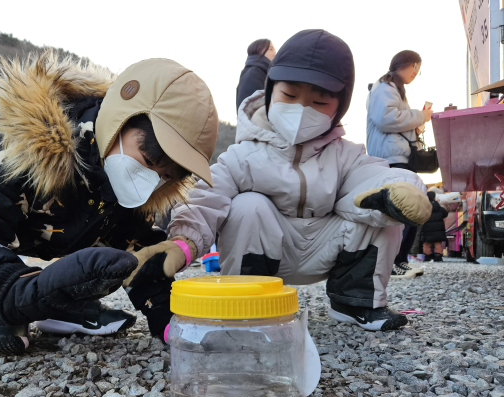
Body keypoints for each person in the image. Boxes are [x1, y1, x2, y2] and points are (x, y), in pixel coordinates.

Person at [0, 51, 218, 354]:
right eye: (147, 159)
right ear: (121, 116)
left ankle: (67, 306)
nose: (151, 179)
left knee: (117, 256)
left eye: (165, 176)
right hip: (7, 228)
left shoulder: (131, 192)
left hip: (73, 233)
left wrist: (171, 322)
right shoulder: (24, 148)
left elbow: (141, 255)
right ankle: (4, 311)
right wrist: (7, 292)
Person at [133, 30, 433, 336]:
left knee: (381, 207)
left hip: (324, 248)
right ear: (270, 92)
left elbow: (377, 175)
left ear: (338, 108)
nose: (302, 110)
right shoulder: (244, 155)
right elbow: (207, 195)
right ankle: (244, 301)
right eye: (289, 96)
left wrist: (405, 189)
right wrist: (183, 242)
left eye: (319, 101)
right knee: (247, 205)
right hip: (267, 252)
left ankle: (355, 301)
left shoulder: (346, 155)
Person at [366, 50, 432, 279]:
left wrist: (416, 125)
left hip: (395, 157)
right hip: (391, 159)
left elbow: (392, 120)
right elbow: (386, 118)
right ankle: (394, 261)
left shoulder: (390, 88)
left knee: (406, 210)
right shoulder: (384, 88)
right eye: (415, 67)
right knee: (406, 209)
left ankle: (398, 260)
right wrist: (420, 116)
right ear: (403, 64)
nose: (416, 72)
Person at [236, 38, 276, 111]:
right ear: (259, 50)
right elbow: (253, 108)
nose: (275, 54)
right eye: (271, 49)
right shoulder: (254, 72)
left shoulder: (260, 72)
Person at [420, 191, 448, 262]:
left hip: (427, 228)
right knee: (437, 242)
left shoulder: (424, 207)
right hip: (438, 228)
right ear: (435, 197)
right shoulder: (439, 207)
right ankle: (438, 256)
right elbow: (445, 214)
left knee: (427, 243)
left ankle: (427, 256)